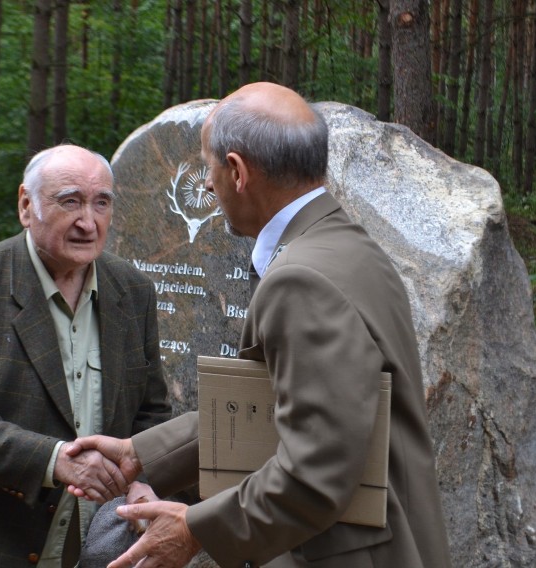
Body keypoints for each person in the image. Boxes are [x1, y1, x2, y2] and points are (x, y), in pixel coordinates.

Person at [66, 83, 452, 568]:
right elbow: (276, 410)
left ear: (238, 172)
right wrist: (140, 453)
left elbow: (316, 472)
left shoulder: (301, 281)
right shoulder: (345, 245)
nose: (207, 186)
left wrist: (193, 529)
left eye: (209, 168)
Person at [0, 144, 171, 568]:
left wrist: (141, 480)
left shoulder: (133, 291)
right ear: (27, 205)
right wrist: (56, 460)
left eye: (101, 203)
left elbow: (151, 412)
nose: (87, 222)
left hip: (82, 545)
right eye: (70, 202)